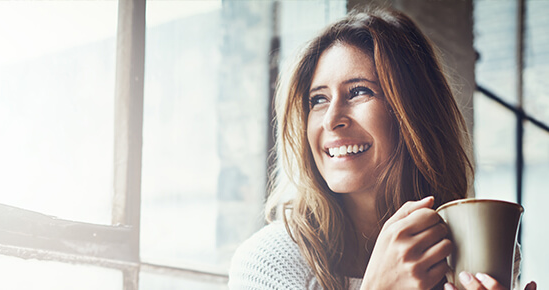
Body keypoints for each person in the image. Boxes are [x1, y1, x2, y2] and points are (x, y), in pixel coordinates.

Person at [228, 8, 537, 290]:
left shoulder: (478, 249)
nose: (331, 120)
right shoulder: (266, 263)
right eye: (318, 100)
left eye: (359, 91)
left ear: (413, 113)